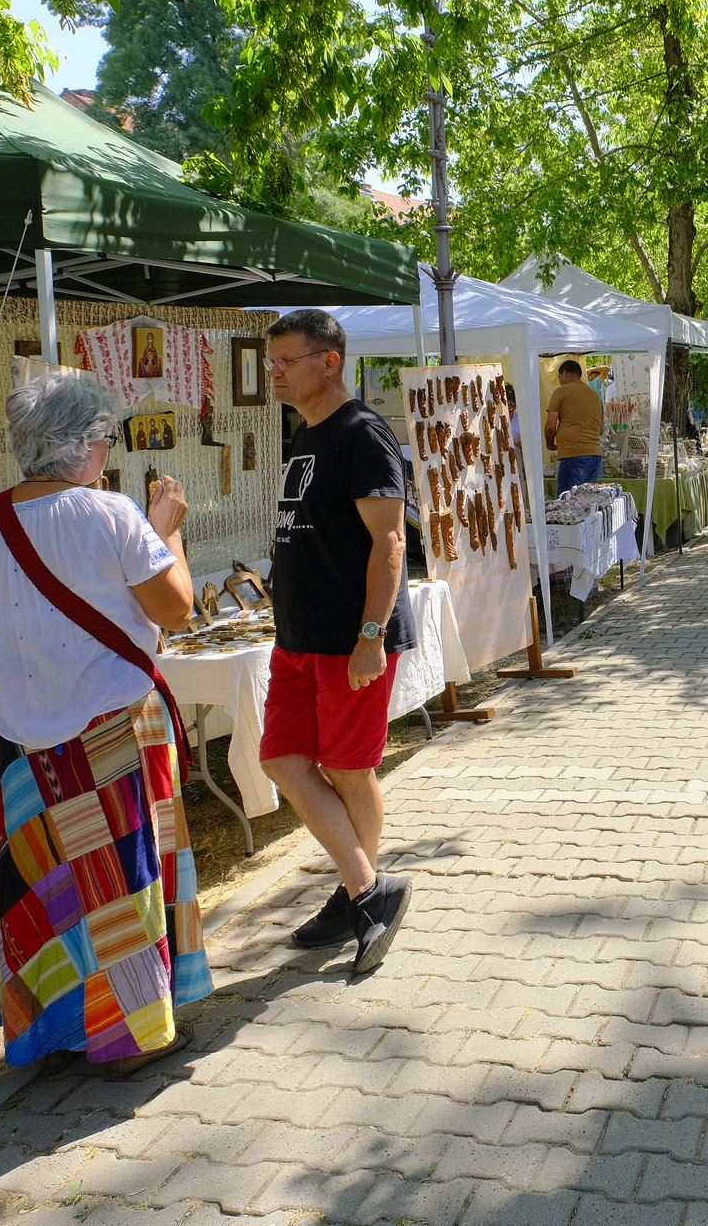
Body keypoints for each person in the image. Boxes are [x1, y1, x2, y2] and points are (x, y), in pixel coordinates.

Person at [0, 374, 208, 1075]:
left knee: (51, 887)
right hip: (114, 729)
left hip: (26, 747)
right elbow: (176, 610)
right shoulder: (111, 514)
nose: (107, 451)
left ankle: (52, 1029)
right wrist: (168, 532)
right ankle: (129, 1036)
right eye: (105, 437)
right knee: (120, 885)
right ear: (84, 442)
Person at [262, 309, 416, 972]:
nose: (273, 373)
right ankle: (365, 888)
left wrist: (370, 635)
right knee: (281, 758)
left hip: (347, 637)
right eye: (271, 362)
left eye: (285, 361)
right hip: (297, 635)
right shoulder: (306, 432)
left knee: (349, 768)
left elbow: (390, 541)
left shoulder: (362, 433)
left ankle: (359, 891)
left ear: (328, 361)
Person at [544, 359, 605, 494]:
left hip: (573, 454)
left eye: (559, 377)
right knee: (586, 502)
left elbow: (550, 426)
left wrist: (550, 443)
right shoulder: (595, 395)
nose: (560, 381)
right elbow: (600, 429)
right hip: (595, 454)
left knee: (568, 503)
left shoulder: (561, 392)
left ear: (564, 373)